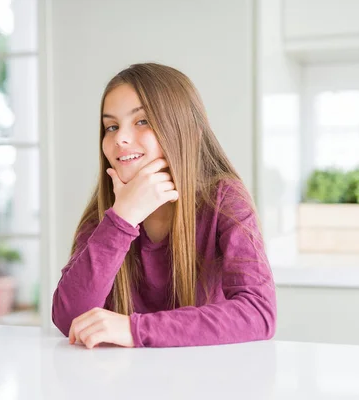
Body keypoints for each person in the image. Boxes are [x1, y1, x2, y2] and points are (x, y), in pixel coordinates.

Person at [52, 63, 276, 348]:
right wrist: (123, 218)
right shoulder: (106, 214)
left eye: (142, 121)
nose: (120, 137)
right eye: (111, 126)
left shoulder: (224, 198)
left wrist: (135, 330)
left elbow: (258, 313)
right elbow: (70, 318)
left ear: (188, 131)